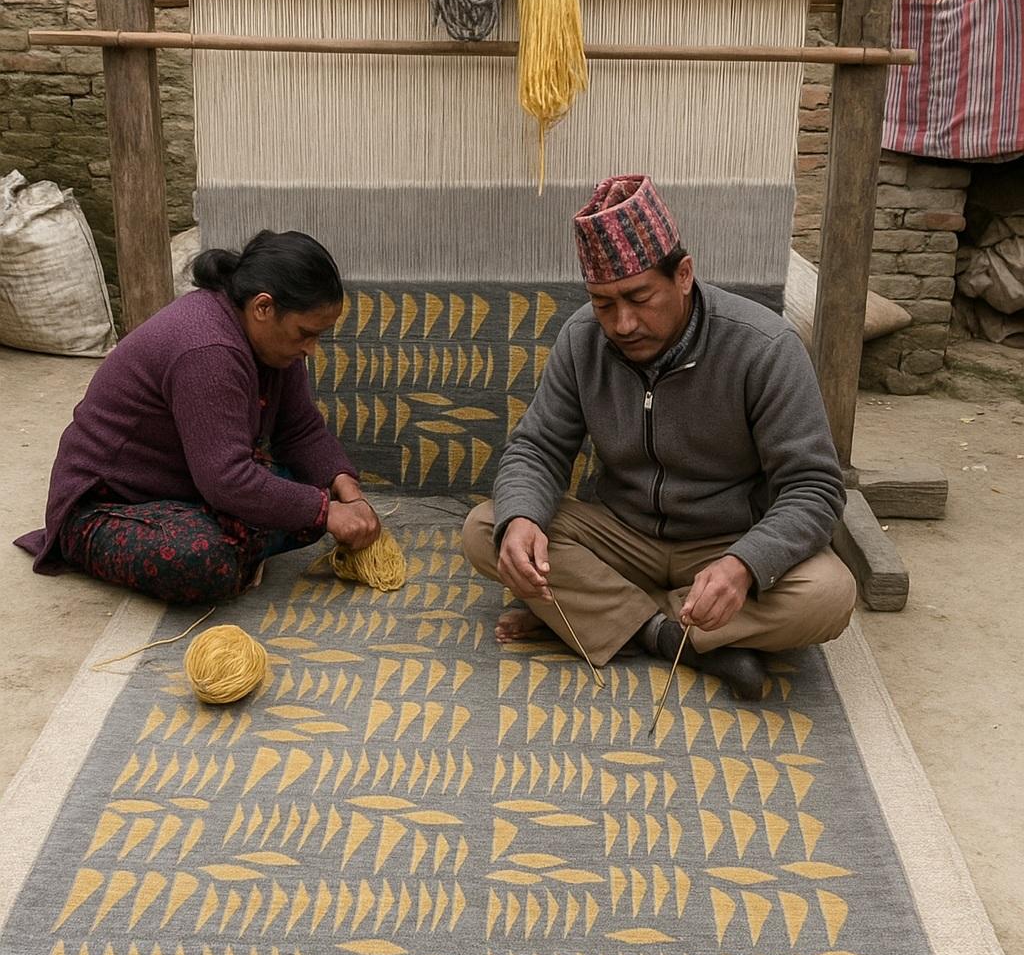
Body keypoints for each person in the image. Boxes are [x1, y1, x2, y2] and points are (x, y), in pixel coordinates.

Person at [462, 175, 857, 700]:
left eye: (639, 297)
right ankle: (671, 636)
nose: (623, 323)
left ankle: (599, 616)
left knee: (828, 594)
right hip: (621, 535)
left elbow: (814, 487)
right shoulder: (582, 339)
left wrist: (745, 565)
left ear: (683, 275)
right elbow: (538, 448)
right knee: (487, 527)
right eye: (603, 304)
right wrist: (522, 519)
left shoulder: (764, 348)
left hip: (726, 542)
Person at [16, 228, 380, 605]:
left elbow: (299, 429)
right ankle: (96, 546)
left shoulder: (274, 346)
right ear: (263, 307)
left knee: (308, 496)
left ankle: (238, 534)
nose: (312, 349)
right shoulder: (207, 349)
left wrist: (346, 490)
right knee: (203, 560)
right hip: (108, 505)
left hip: (187, 483)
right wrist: (324, 512)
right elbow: (226, 479)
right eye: (305, 333)